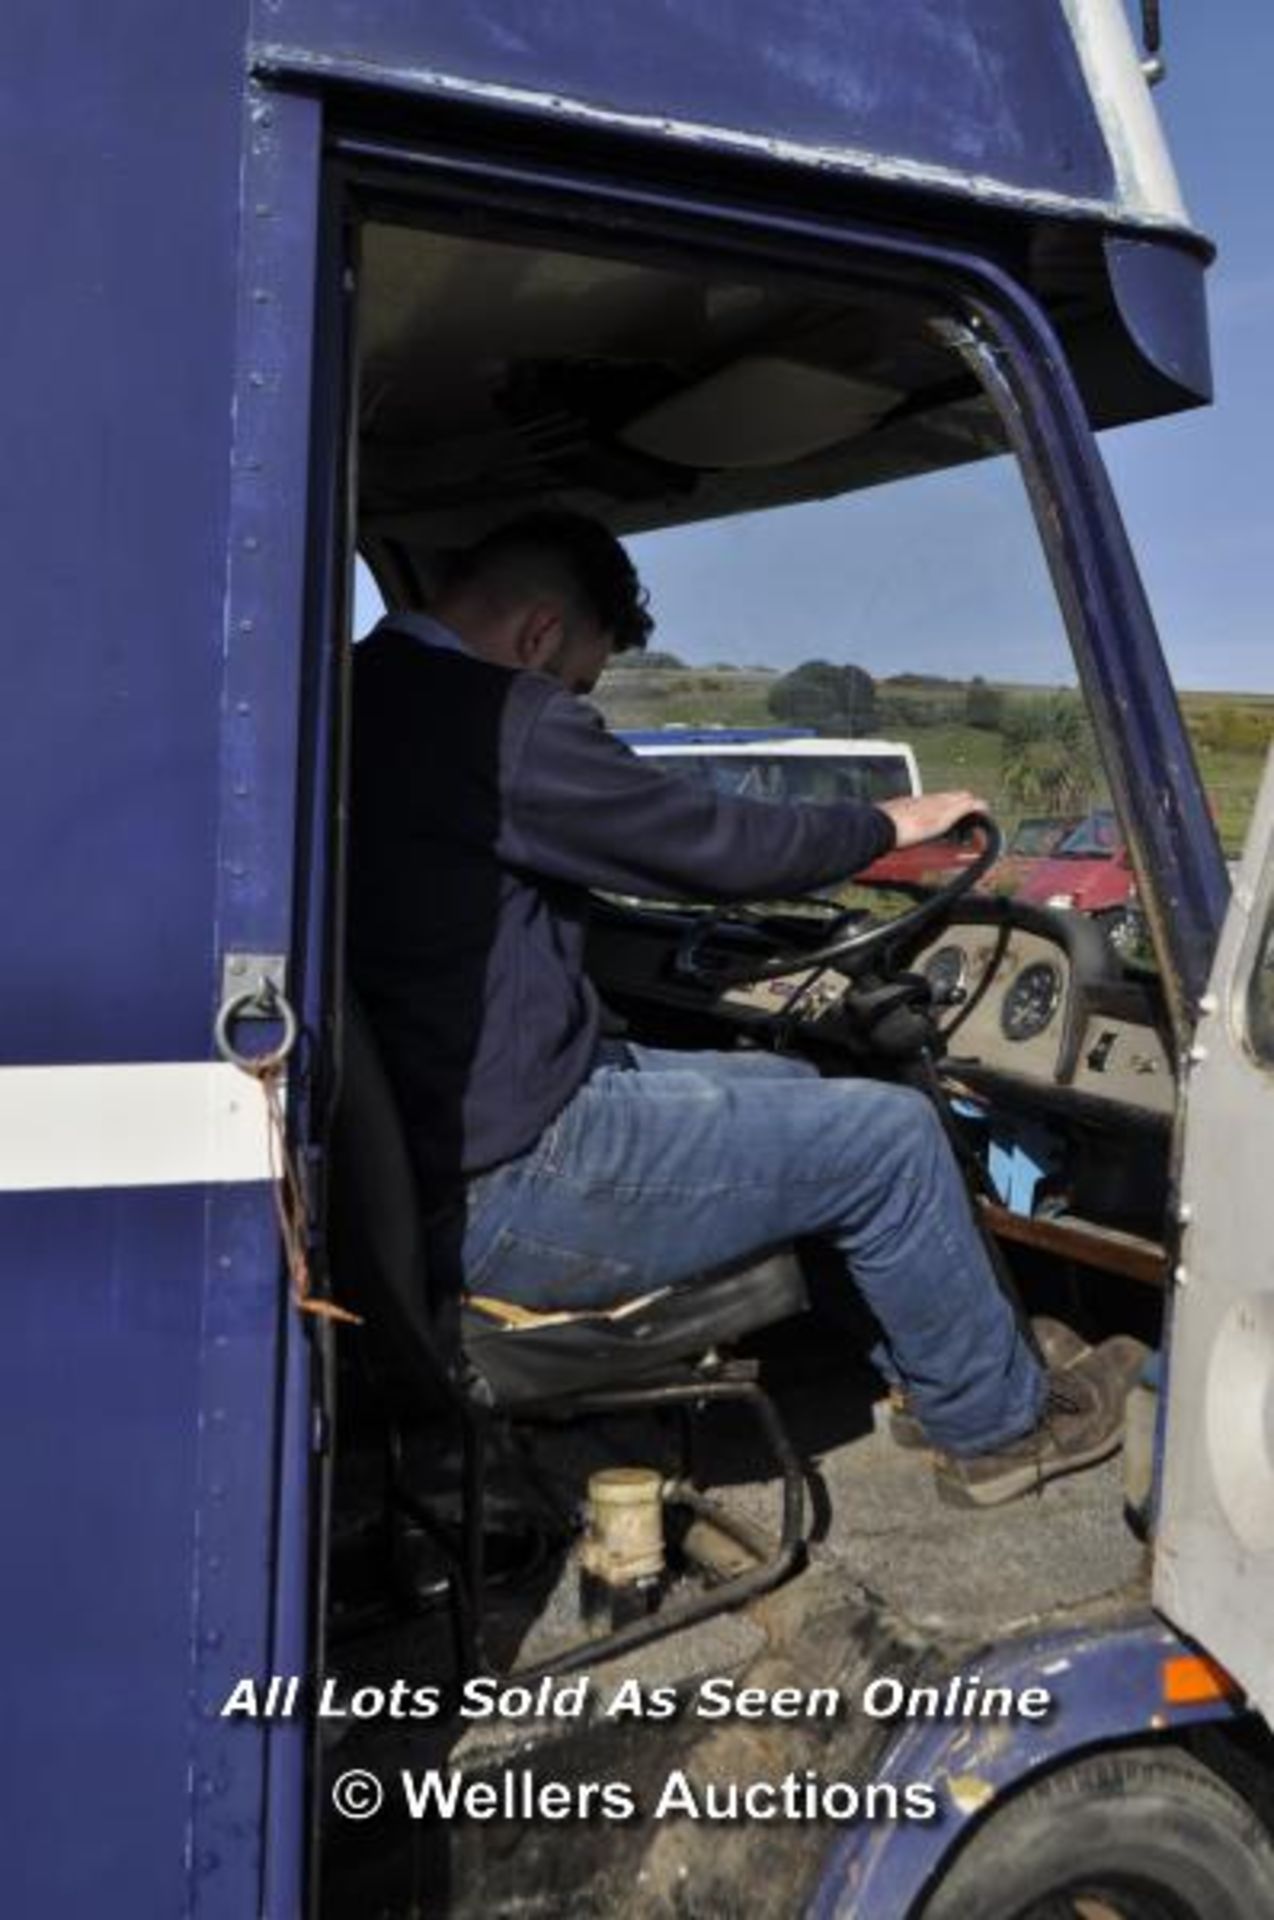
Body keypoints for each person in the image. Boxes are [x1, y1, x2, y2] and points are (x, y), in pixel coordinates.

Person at [348, 511, 1143, 1507]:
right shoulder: (497, 715)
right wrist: (886, 821)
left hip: (440, 1152)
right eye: (580, 685)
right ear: (541, 635)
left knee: (798, 1083)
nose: (571, 704)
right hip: (513, 1178)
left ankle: (938, 1357)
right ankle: (997, 1427)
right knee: (887, 1134)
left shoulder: (351, 693)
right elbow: (709, 846)